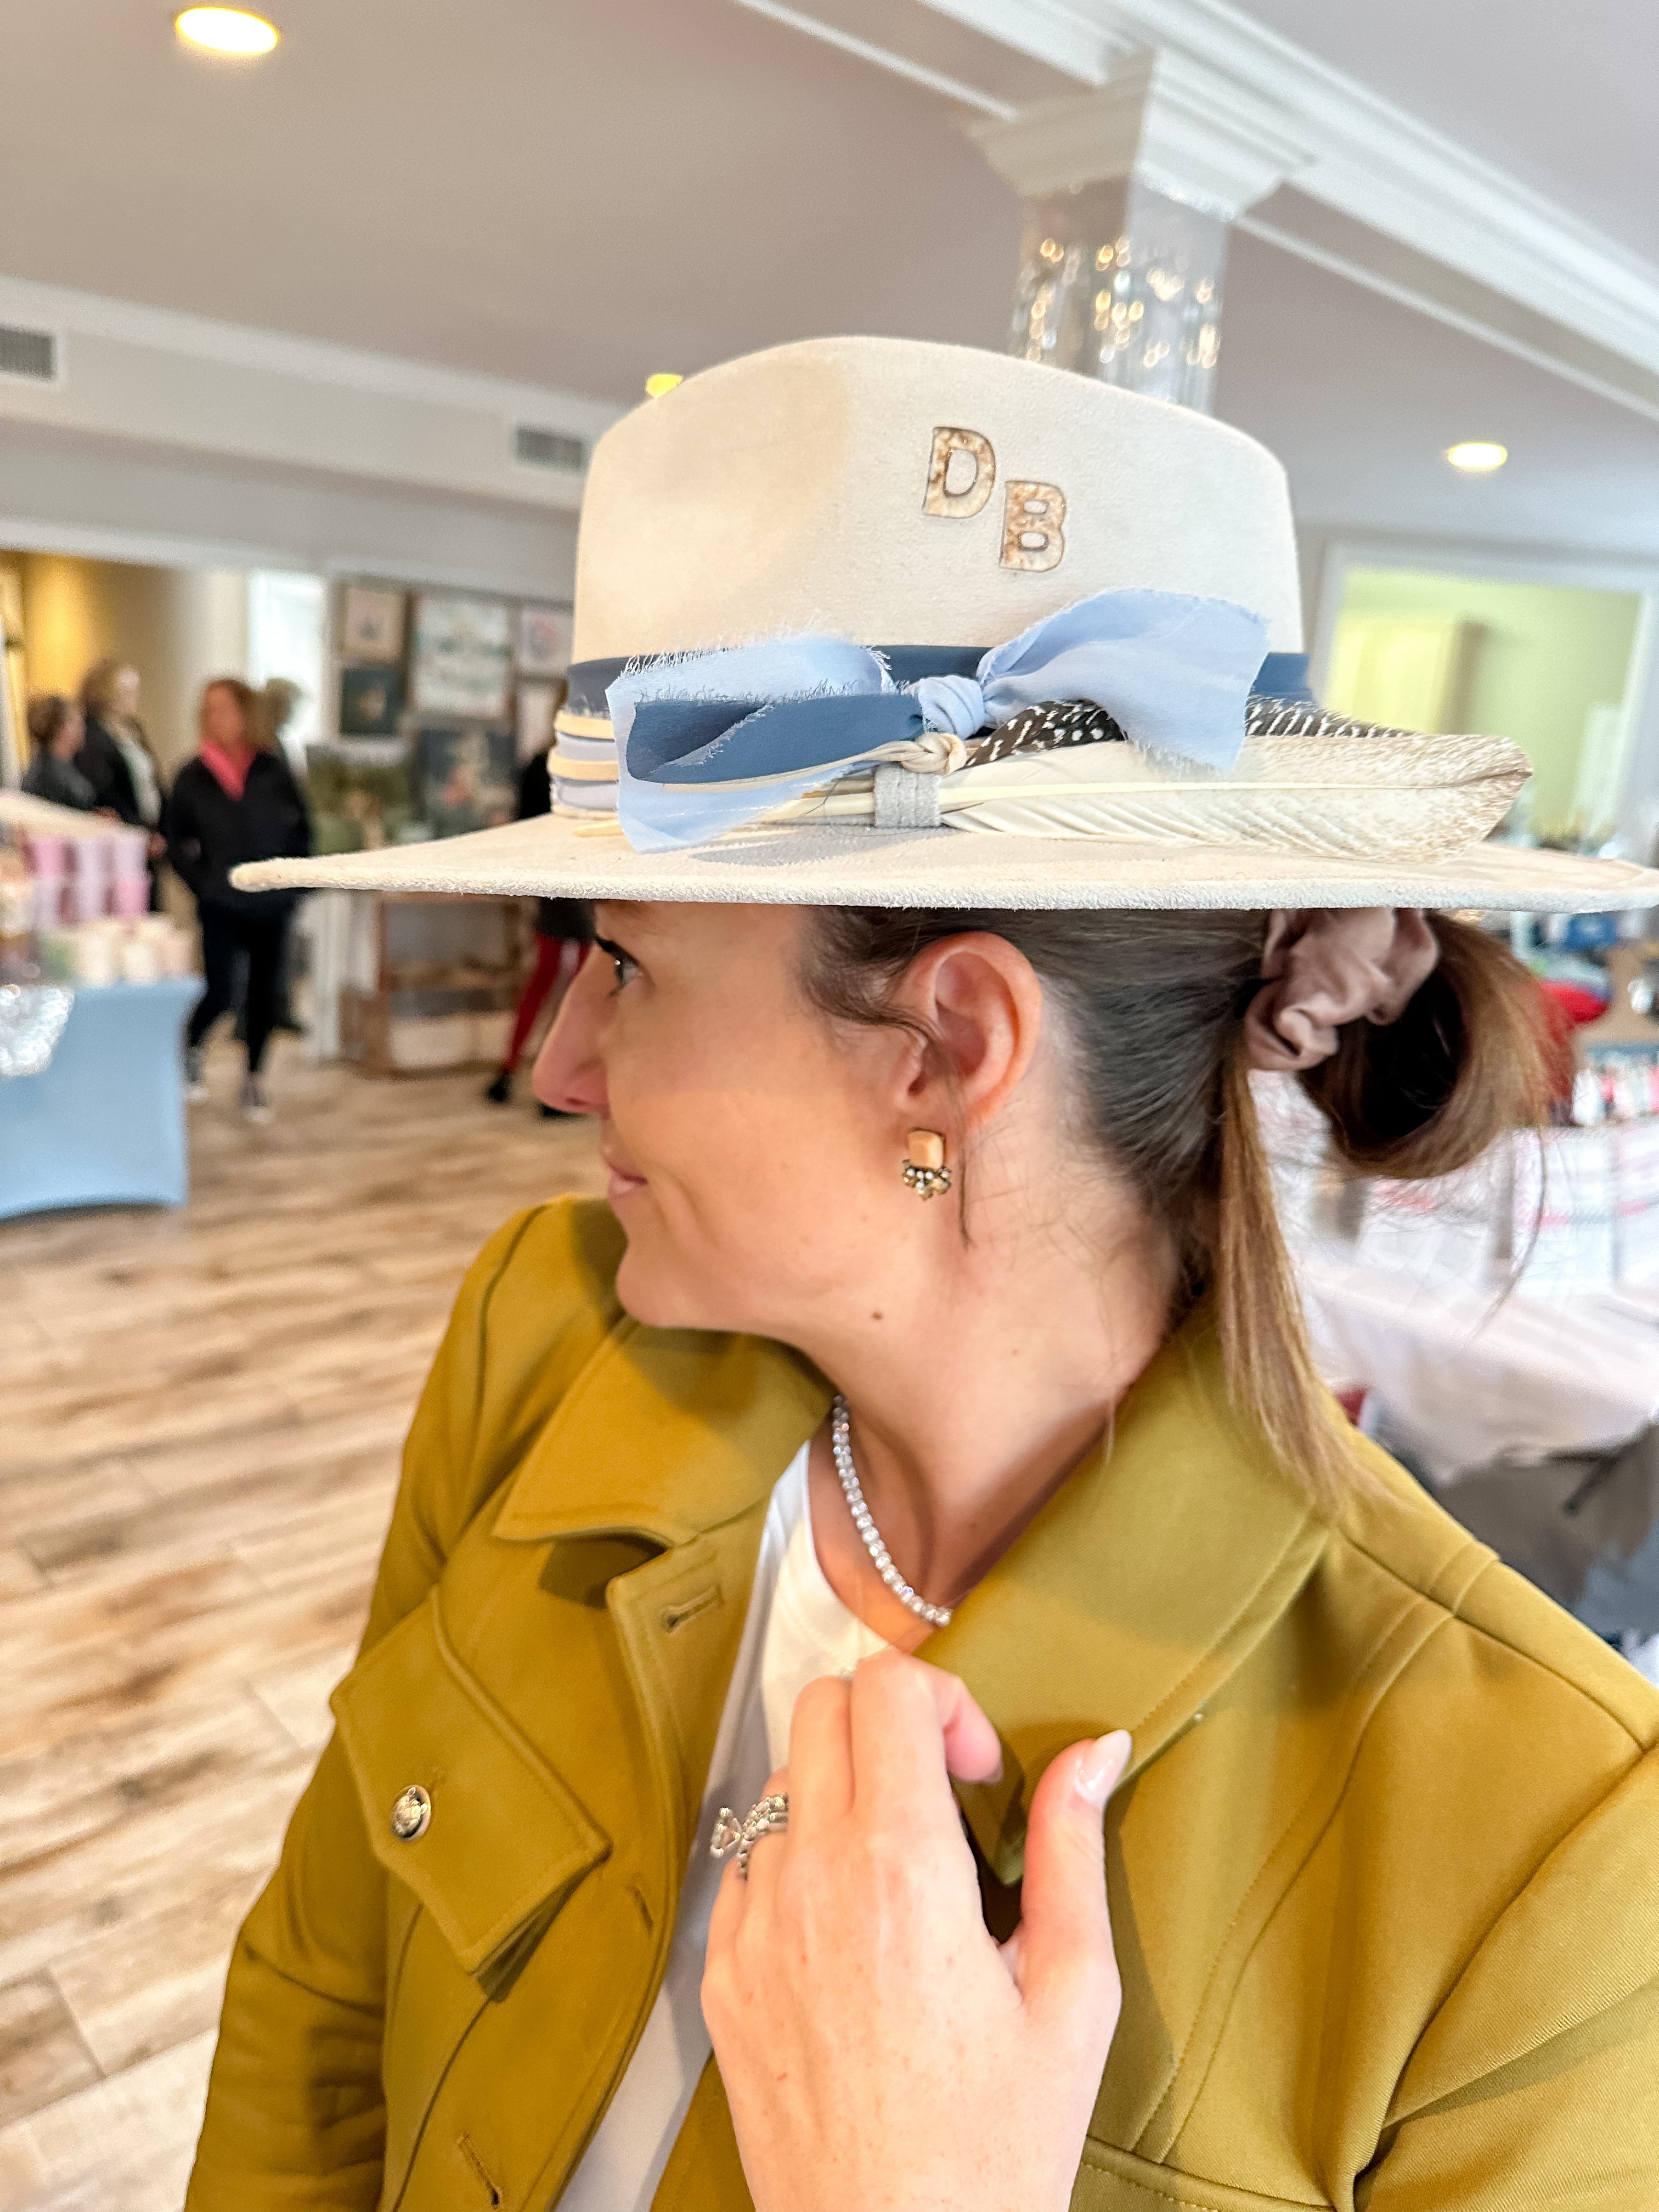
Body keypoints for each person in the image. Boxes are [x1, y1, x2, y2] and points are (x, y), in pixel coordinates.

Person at [187, 340, 1659, 2212]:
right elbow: (317, 2005)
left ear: (949, 1046)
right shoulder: (547, 1333)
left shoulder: (1548, 1854)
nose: (561, 1067)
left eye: (626, 966)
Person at [165, 675, 312, 1123]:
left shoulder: (274, 768)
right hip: (221, 905)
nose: (217, 718)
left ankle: (253, 1079)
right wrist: (203, 884)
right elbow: (173, 840)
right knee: (222, 990)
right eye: (209, 710)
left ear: (245, 713)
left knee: (265, 995)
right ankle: (191, 1047)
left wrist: (294, 884)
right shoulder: (192, 775)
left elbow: (302, 830)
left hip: (271, 902)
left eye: (225, 708)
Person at [483, 723, 593, 1114]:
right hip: (577, 879)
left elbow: (524, 826)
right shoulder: (583, 768)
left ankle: (510, 1071)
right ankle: (551, 1083)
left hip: (553, 880)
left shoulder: (540, 764)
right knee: (579, 984)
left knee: (546, 978)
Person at [75, 655, 166, 902]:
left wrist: (160, 829)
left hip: (148, 832)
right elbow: (105, 790)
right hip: (123, 835)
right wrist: (136, 830)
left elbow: (152, 781)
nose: (133, 697)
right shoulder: (93, 736)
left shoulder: (134, 730)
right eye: (127, 691)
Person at [22, 693, 95, 810]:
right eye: (78, 723)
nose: (83, 728)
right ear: (62, 728)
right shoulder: (51, 777)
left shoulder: (49, 765)